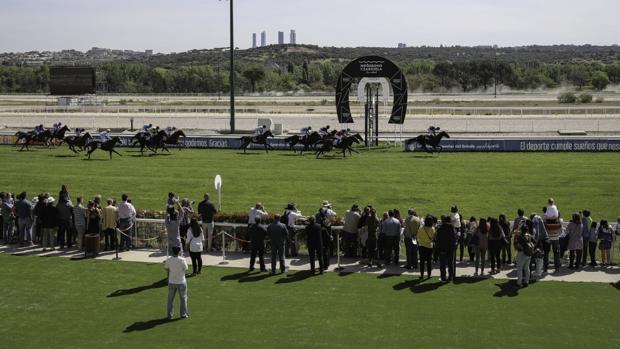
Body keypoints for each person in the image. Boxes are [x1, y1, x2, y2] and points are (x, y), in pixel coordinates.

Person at [165, 246, 189, 320]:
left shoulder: (168, 259)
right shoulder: (182, 260)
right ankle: (183, 314)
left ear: (172, 251)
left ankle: (170, 316)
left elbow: (166, 268)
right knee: (183, 298)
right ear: (179, 252)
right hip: (181, 282)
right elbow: (186, 268)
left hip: (172, 281)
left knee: (170, 299)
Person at [436, 215, 456, 283]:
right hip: (450, 249)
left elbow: (438, 241)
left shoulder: (440, 229)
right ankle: (450, 277)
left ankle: (443, 278)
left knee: (443, 265)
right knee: (450, 264)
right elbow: (454, 239)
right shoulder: (452, 229)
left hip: (443, 249)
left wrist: (437, 250)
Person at [514, 222, 533, 287]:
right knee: (526, 268)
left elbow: (517, 245)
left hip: (521, 254)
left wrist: (519, 227)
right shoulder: (529, 235)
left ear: (521, 230)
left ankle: (519, 283)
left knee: (520, 268)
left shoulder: (520, 236)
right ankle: (526, 281)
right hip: (528, 253)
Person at [417, 215, 436, 279]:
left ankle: (422, 275)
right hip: (429, 247)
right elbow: (433, 238)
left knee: (422, 261)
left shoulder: (421, 228)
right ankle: (429, 275)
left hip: (422, 246)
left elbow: (418, 237)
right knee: (429, 261)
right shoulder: (432, 229)